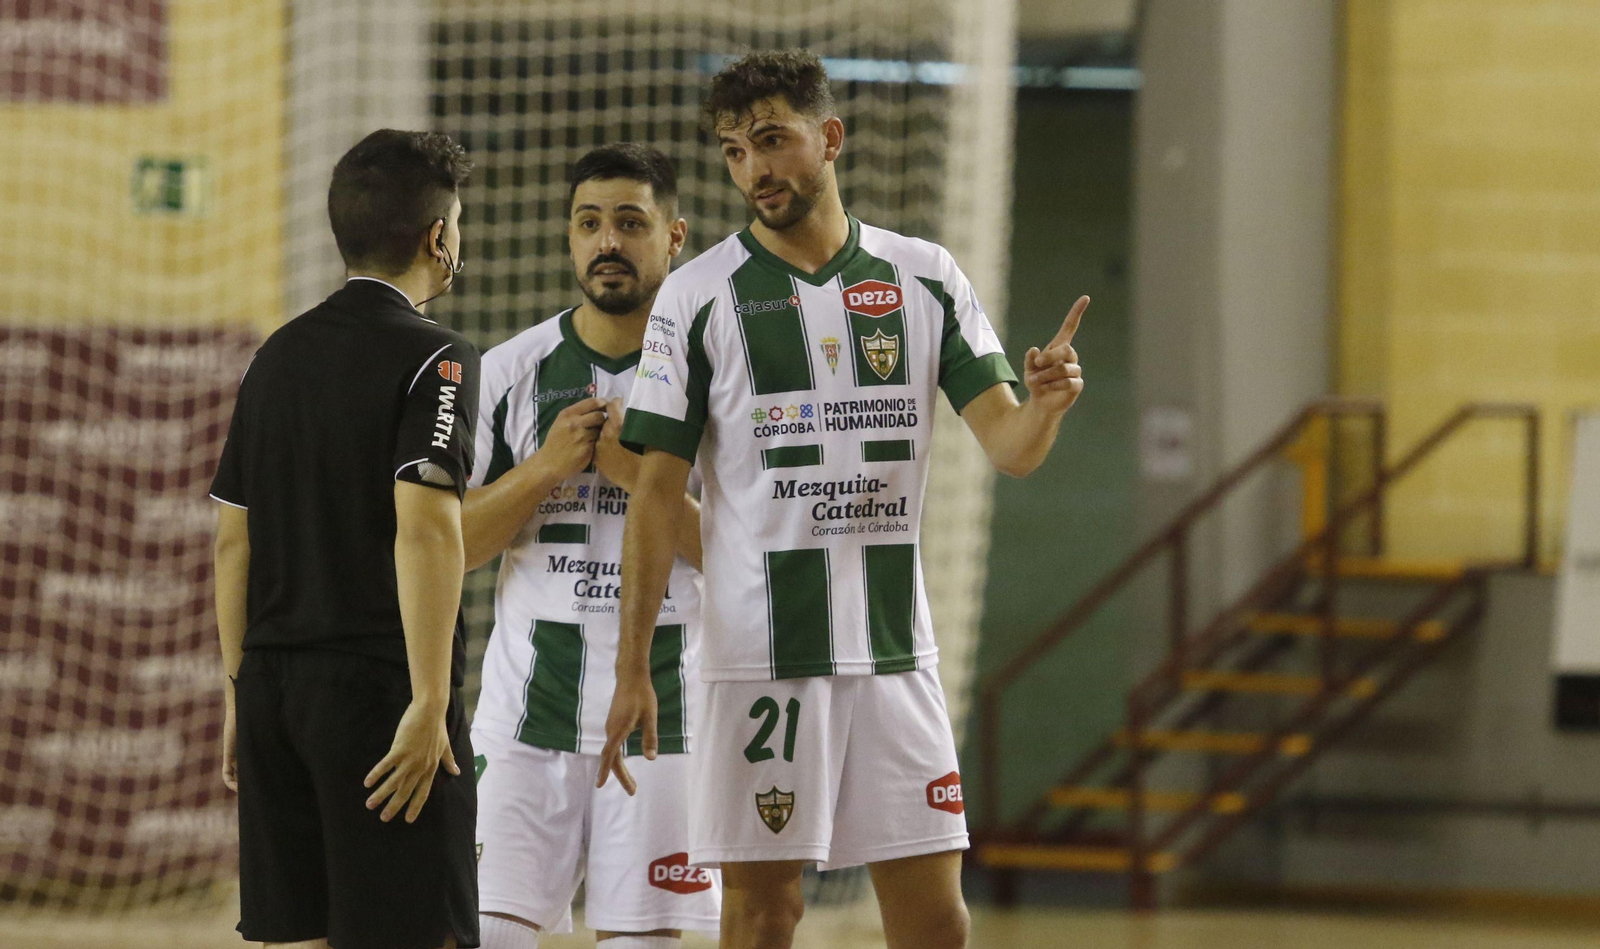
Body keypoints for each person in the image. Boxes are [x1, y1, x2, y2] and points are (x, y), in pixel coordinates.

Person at [599, 51, 1089, 949]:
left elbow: (1010, 448)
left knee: (937, 920)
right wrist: (634, 665)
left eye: (773, 141)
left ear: (830, 139)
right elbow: (655, 494)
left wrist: (1047, 405)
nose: (755, 169)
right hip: (760, 657)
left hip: (896, 653)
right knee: (763, 913)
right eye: (734, 150)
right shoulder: (697, 297)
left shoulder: (925, 274)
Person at [211, 128, 481, 949]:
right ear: (440, 237)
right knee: (413, 932)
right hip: (378, 698)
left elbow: (232, 543)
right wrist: (430, 699)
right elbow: (427, 528)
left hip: (272, 689)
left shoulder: (273, 357)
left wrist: (239, 688)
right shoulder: (439, 357)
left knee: (298, 933)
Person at [461, 143, 720, 949]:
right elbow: (453, 545)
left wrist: (630, 473)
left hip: (667, 726)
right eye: (589, 223)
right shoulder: (509, 371)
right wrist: (543, 469)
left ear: (674, 237)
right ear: (570, 239)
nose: (608, 241)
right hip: (522, 725)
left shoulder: (719, 371)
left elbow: (737, 553)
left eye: (630, 223)